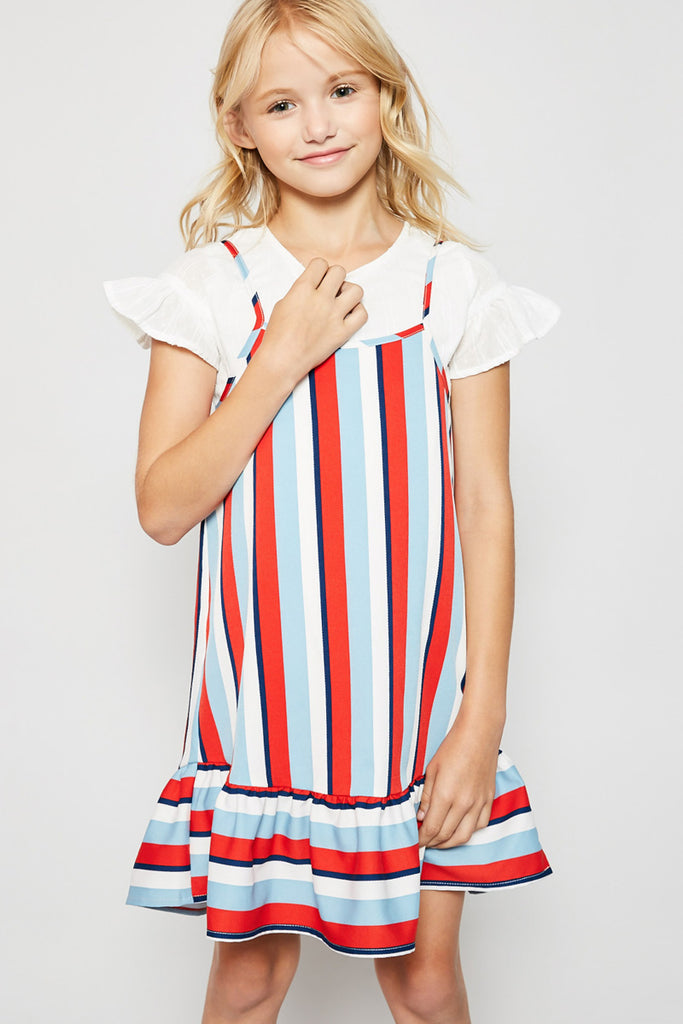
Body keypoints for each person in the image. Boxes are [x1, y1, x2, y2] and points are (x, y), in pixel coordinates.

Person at [104, 1, 561, 1020]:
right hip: (264, 723)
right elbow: (163, 508)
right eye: (281, 103)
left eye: (342, 90)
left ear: (383, 97)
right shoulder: (211, 287)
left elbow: (485, 505)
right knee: (250, 977)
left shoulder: (451, 284)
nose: (317, 124)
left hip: (414, 718)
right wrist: (277, 358)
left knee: (426, 980)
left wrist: (480, 717)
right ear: (238, 125)